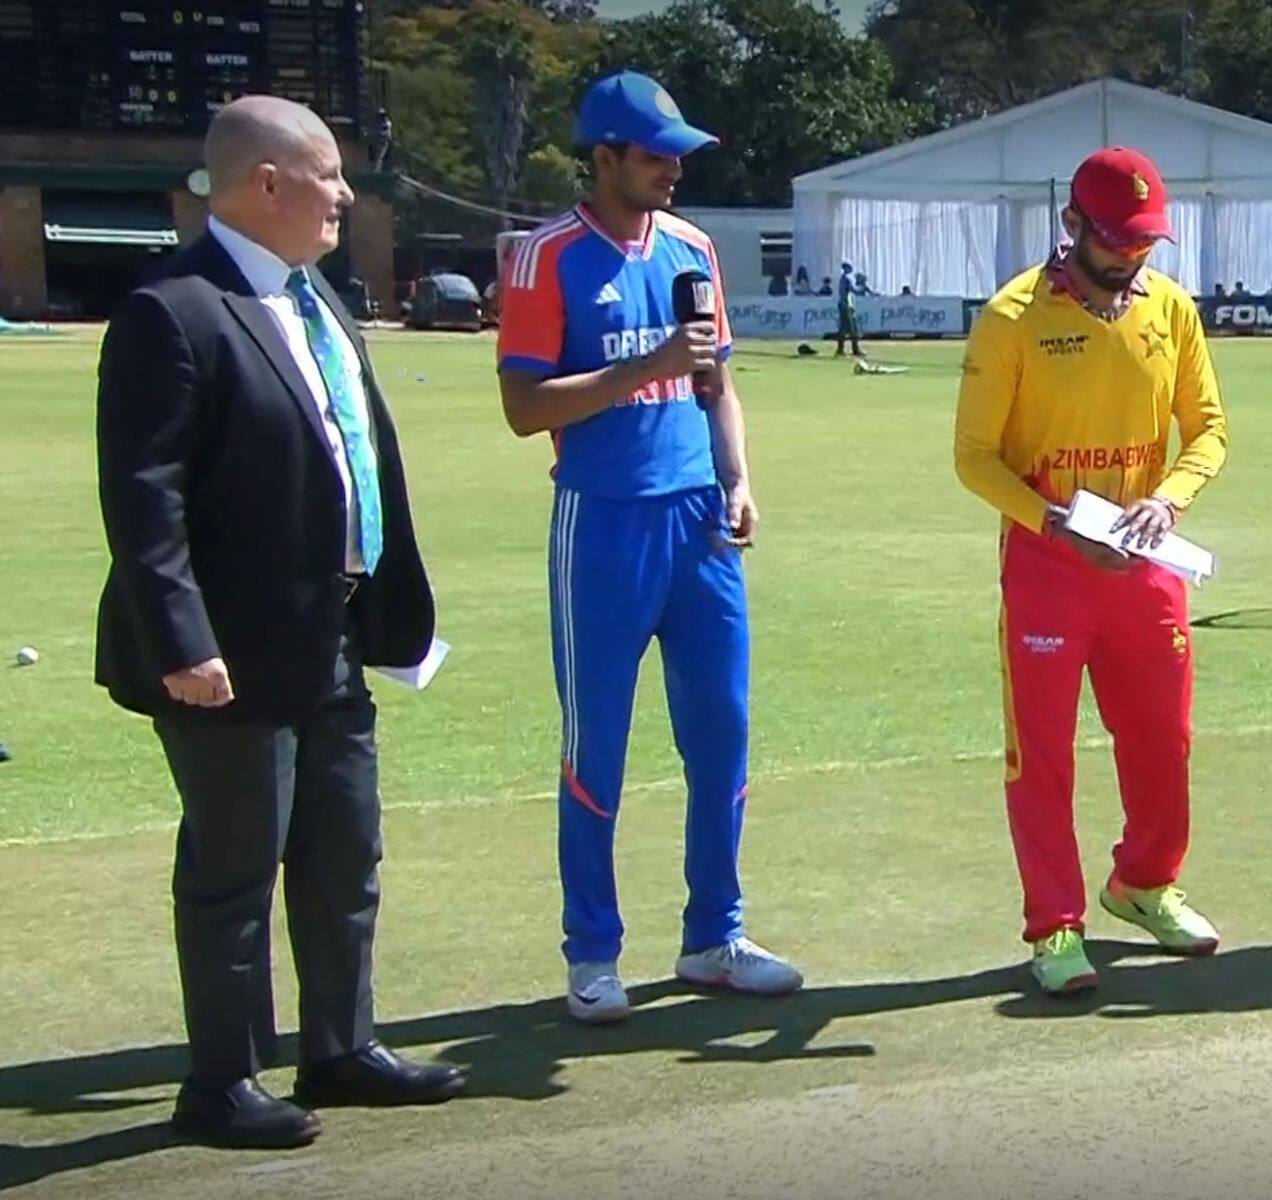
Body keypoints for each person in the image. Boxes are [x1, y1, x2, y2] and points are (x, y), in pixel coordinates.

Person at [94, 96, 463, 1150]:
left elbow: (351, 457)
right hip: (229, 654)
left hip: (335, 638)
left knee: (345, 855)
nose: (347, 194)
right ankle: (221, 1082)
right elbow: (144, 496)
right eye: (329, 175)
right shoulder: (172, 311)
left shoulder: (318, 302)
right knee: (233, 870)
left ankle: (340, 1049)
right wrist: (183, 640)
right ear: (266, 184)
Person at [496, 70, 801, 1024]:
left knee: (723, 737)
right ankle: (592, 952)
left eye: (677, 154)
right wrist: (647, 366)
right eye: (655, 154)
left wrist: (740, 478)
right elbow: (522, 407)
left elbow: (718, 383)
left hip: (701, 521)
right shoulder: (545, 258)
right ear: (604, 159)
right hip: (604, 521)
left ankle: (715, 934)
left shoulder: (694, 247)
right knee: (600, 746)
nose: (673, 169)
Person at [953, 146, 1228, 994]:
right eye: (1118, 241)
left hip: (1145, 558)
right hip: (1047, 558)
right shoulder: (1012, 319)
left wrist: (1169, 501)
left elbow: (1210, 429)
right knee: (1043, 752)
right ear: (1072, 225)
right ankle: (1054, 926)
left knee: (1163, 741)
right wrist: (1055, 522)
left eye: (1147, 242)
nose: (1133, 259)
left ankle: (1143, 883)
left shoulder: (1172, 310)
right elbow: (974, 459)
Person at [834, 261, 863, 357]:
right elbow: (854, 291)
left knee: (843, 328)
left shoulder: (842, 279)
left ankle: (840, 349)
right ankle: (855, 350)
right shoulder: (847, 279)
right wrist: (862, 288)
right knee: (853, 329)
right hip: (846, 306)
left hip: (843, 305)